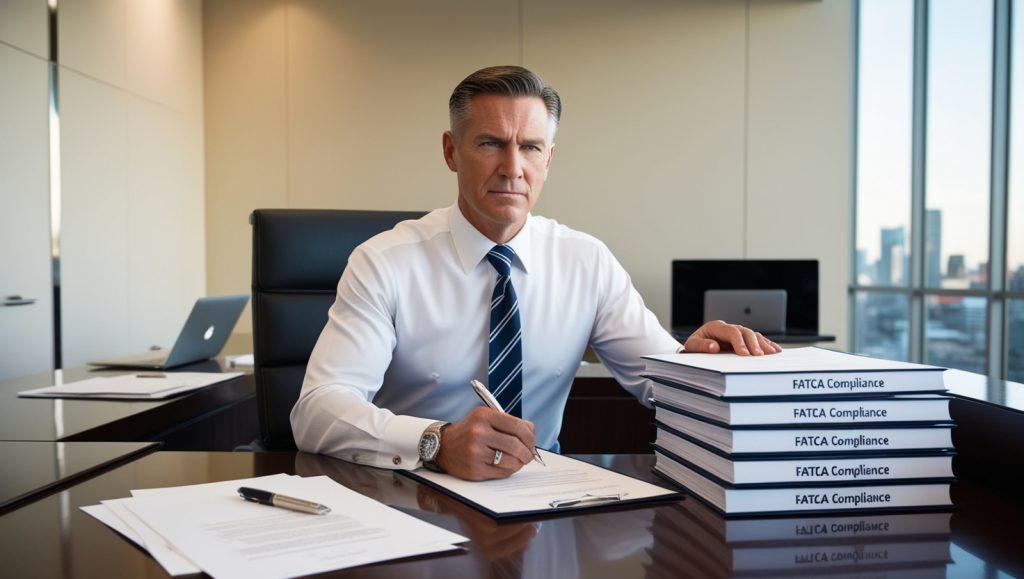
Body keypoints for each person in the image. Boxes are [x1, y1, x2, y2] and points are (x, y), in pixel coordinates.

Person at [291, 65, 781, 482]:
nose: (512, 167)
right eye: (490, 143)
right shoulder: (384, 261)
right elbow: (316, 410)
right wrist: (435, 442)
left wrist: (700, 365)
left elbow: (658, 380)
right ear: (450, 151)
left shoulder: (585, 260)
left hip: (545, 495)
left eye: (529, 147)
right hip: (415, 491)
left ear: (549, 158)